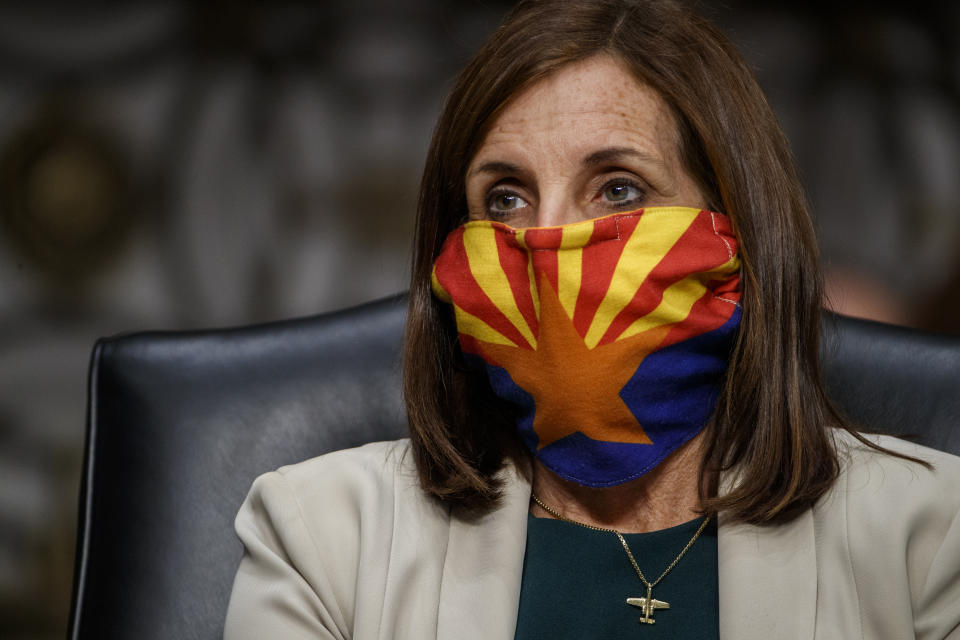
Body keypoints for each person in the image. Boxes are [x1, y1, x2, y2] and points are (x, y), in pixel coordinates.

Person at [223, 1, 960, 638]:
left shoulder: (932, 537)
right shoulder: (320, 535)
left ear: (737, 227)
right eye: (505, 198)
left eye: (618, 189)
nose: (548, 245)